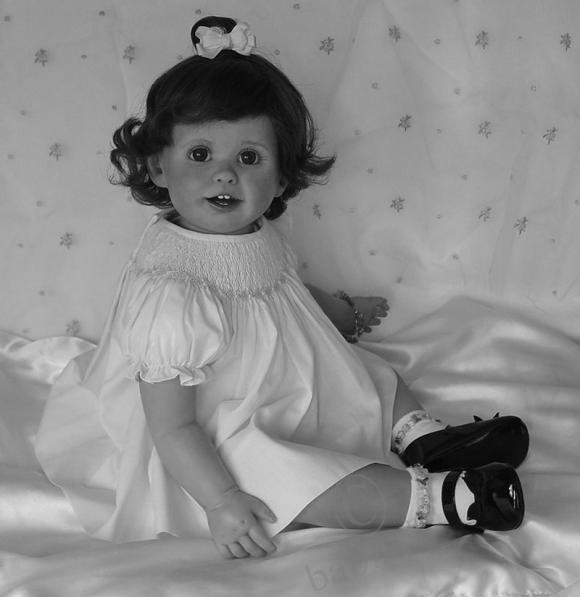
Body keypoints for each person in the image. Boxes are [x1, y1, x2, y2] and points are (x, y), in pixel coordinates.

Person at [35, 16, 528, 561]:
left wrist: (341, 312)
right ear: (156, 165)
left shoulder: (258, 233)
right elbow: (172, 425)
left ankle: (424, 438)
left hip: (287, 383)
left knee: (369, 372)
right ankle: (449, 497)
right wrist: (221, 500)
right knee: (284, 476)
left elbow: (282, 289)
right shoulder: (171, 294)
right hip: (209, 431)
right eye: (200, 154)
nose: (225, 174)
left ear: (282, 177)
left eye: (249, 158)